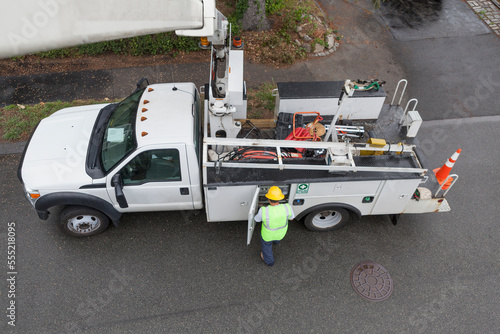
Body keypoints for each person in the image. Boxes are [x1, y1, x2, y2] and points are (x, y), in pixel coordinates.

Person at [254, 186, 295, 266]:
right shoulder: (287, 207)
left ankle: (269, 261)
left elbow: (257, 220)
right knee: (276, 237)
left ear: (268, 199)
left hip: (268, 236)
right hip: (281, 234)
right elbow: (292, 218)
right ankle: (276, 242)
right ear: (280, 199)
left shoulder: (263, 210)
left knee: (267, 246)